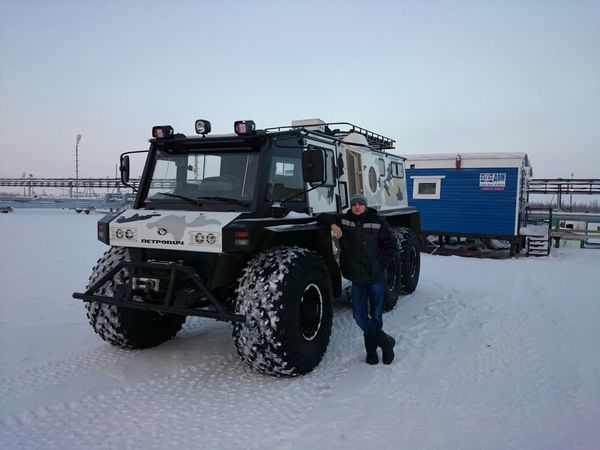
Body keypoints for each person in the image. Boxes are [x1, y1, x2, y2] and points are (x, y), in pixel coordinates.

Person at [318, 193, 397, 364]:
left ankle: (371, 353)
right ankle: (386, 342)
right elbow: (321, 216)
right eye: (354, 204)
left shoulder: (378, 221)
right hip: (357, 278)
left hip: (376, 277)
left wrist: (380, 265)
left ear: (365, 206)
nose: (357, 207)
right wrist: (333, 224)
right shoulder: (345, 220)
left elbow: (391, 244)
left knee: (376, 316)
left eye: (360, 204)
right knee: (360, 316)